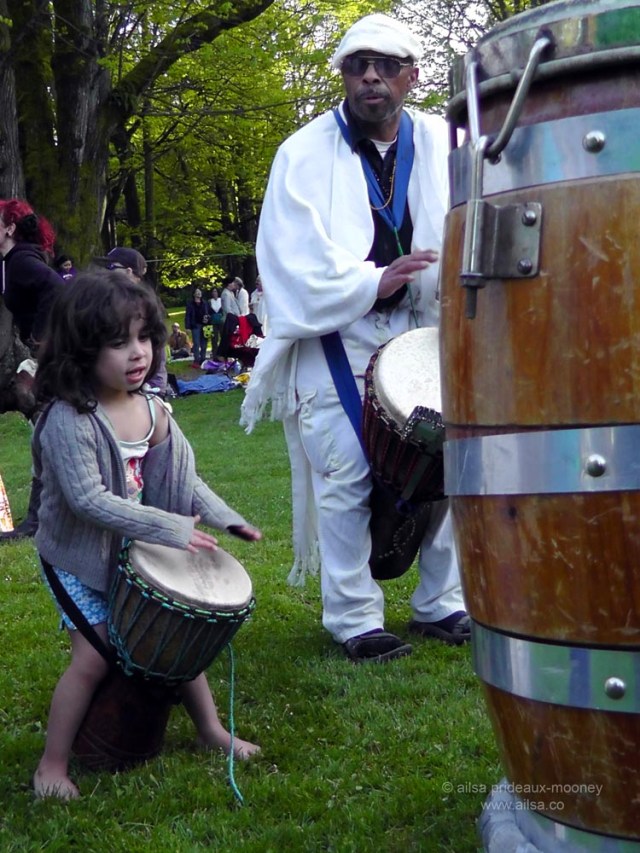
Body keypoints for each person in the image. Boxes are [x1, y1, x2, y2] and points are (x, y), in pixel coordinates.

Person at [241, 14, 469, 663]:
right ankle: (353, 615)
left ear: (411, 76)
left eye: (387, 64)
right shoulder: (302, 153)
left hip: (428, 322)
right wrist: (373, 283)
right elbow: (287, 260)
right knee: (342, 465)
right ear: (343, 74)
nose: (372, 76)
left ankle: (441, 600)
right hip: (337, 331)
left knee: (452, 462)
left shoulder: (444, 138)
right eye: (358, 64)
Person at [30, 271, 262, 800]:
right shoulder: (69, 418)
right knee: (93, 657)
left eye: (144, 337)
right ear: (81, 349)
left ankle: (210, 731)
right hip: (76, 556)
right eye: (117, 342)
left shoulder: (153, 410)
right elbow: (89, 501)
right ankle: (52, 764)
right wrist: (172, 529)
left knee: (170, 636)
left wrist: (226, 518)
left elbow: (185, 481)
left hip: (131, 547)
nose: (137, 353)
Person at [0, 198, 63, 541]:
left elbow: (55, 289)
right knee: (47, 433)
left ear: (9, 228)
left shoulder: (21, 261)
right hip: (55, 354)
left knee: (48, 434)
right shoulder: (12, 262)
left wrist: (41, 340)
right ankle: (40, 519)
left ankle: (38, 522)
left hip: (58, 356)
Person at [97, 247, 169, 396]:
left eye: (111, 267)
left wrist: (153, 390)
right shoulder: (111, 304)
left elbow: (157, 353)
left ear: (129, 272)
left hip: (146, 391)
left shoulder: (144, 307)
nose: (106, 272)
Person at [185, 287, 209, 366]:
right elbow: (188, 315)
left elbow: (208, 313)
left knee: (204, 343)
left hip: (205, 325)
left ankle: (203, 359)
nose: (199, 293)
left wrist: (207, 318)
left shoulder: (205, 303)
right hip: (195, 325)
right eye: (197, 292)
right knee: (196, 343)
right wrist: (187, 327)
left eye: (200, 292)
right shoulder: (190, 304)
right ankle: (196, 360)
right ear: (194, 294)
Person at [209, 286, 224, 356]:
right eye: (213, 291)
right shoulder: (209, 301)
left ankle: (222, 352)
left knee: (223, 336)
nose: (214, 293)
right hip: (213, 322)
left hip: (221, 321)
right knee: (214, 338)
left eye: (216, 291)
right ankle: (215, 353)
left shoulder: (221, 300)